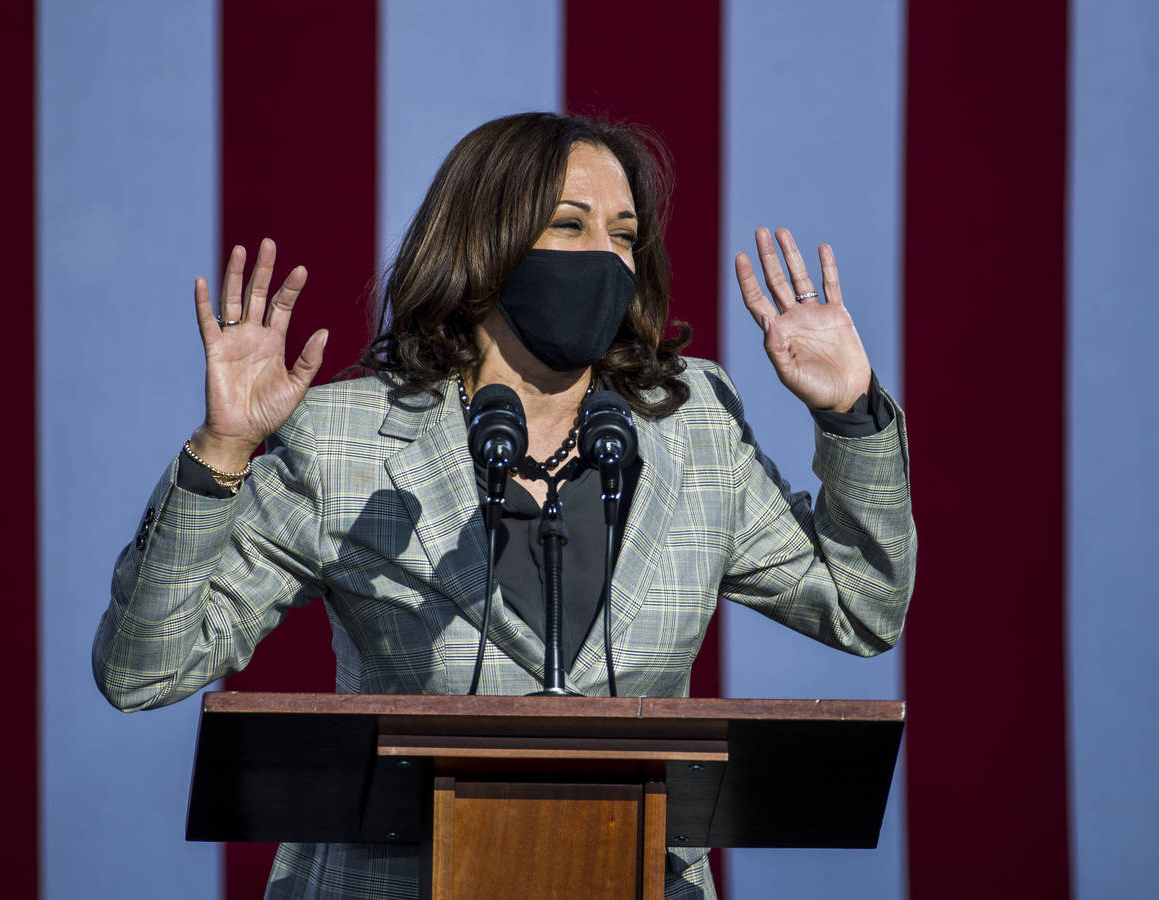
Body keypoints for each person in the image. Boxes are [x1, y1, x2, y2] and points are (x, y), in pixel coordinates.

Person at [93, 112, 915, 899]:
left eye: (624, 235)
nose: (606, 256)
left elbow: (862, 606)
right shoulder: (346, 441)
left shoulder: (692, 424)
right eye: (570, 225)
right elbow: (144, 669)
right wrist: (224, 450)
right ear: (485, 246)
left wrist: (851, 415)